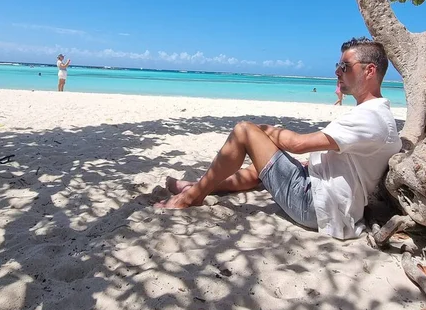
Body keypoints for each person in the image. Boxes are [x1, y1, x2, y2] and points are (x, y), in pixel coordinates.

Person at [155, 37, 402, 240]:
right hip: (324, 194)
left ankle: (191, 197)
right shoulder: (376, 114)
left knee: (243, 131)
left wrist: (260, 129)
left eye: (345, 66)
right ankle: (198, 186)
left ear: (370, 70)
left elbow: (297, 144)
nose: (337, 71)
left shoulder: (370, 117)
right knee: (257, 167)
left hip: (316, 206)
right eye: (338, 65)